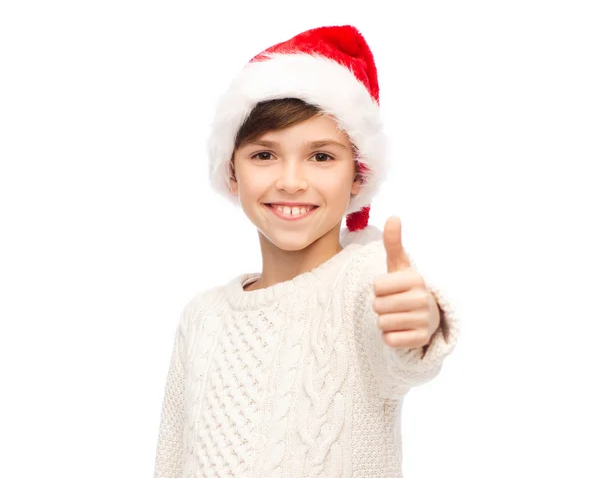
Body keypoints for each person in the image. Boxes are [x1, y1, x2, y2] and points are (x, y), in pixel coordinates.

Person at [153, 25, 460, 478]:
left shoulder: (364, 280)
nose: (291, 181)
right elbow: (171, 460)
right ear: (231, 172)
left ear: (358, 175)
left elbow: (402, 355)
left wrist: (421, 324)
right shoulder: (203, 316)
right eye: (264, 155)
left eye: (321, 157)